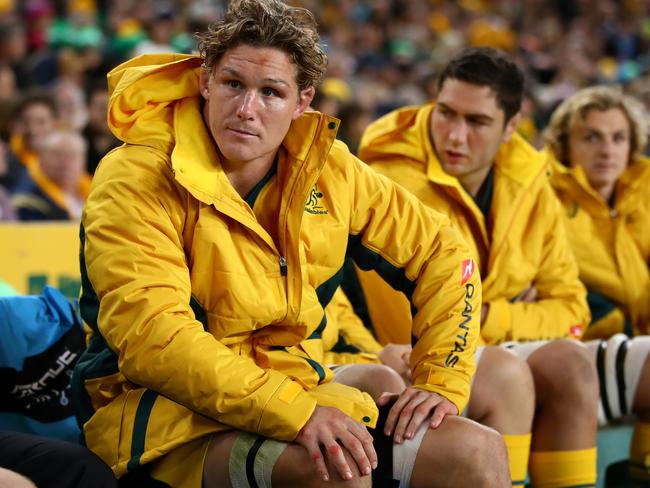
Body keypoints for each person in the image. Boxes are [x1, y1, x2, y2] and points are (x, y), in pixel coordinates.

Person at [72, 2, 508, 487]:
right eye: (234, 84)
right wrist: (295, 411)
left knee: (477, 450)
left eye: (271, 93)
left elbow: (446, 254)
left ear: (302, 103)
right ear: (206, 81)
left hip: (296, 391)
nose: (247, 109)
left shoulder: (329, 170)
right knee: (336, 472)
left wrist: (441, 380)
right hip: (159, 416)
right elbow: (154, 340)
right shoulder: (134, 174)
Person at [357, 47, 599, 488]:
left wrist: (492, 314)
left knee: (571, 361)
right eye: (445, 113)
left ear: (510, 128)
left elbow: (573, 312)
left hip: (482, 347)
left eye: (477, 122)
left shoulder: (530, 182)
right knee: (508, 372)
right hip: (411, 358)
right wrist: (514, 310)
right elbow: (411, 321)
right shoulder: (392, 179)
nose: (454, 136)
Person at [545, 85, 650, 482]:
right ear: (564, 145)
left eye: (618, 138)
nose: (607, 150)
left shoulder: (643, 191)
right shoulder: (543, 197)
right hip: (580, 347)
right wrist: (616, 325)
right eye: (591, 137)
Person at [12, 127, 90, 220]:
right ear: (41, 158)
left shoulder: (96, 193)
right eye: (57, 155)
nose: (65, 162)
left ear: (83, 161)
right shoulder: (27, 202)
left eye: (73, 156)